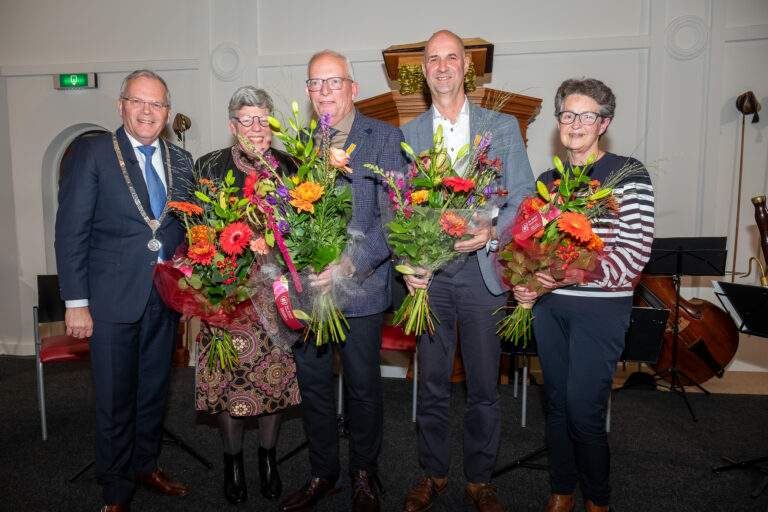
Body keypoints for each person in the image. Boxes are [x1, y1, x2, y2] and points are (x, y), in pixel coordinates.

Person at [399, 30, 534, 512]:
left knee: (483, 386)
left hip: (482, 274)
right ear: (424, 71)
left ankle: (480, 480)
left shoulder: (501, 127)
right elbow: (399, 208)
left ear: (466, 68)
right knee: (431, 384)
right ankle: (433, 474)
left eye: (450, 58)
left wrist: (494, 235)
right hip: (431, 277)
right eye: (432, 59)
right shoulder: (409, 134)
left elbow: (523, 196)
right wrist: (407, 261)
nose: (441, 66)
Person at [512, 78, 654, 512]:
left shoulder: (628, 174)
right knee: (555, 402)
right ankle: (562, 489)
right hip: (550, 309)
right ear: (558, 123)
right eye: (568, 115)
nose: (575, 123)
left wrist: (567, 276)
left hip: (601, 311)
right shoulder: (547, 182)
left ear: (603, 123)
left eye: (587, 115)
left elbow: (632, 256)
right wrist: (525, 280)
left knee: (583, 408)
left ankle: (598, 498)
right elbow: (529, 247)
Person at [54, 69, 193, 512]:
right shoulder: (93, 152)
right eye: (139, 102)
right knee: (115, 397)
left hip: (164, 295)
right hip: (109, 300)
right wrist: (76, 303)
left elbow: (187, 228)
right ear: (121, 106)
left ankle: (145, 465)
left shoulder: (181, 160)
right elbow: (70, 231)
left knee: (154, 391)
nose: (147, 112)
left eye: (156, 105)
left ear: (168, 113)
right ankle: (116, 490)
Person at [278, 50, 406, 512]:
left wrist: (348, 264)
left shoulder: (385, 137)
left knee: (363, 390)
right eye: (315, 84)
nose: (324, 92)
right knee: (312, 387)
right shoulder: (299, 144)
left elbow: (394, 217)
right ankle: (323, 472)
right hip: (310, 290)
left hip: (362, 287)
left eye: (334, 82)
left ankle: (362, 475)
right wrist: (303, 261)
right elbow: (290, 215)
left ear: (353, 88)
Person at [193, 86, 301, 504]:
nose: (256, 129)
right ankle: (232, 461)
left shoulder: (290, 168)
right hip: (227, 296)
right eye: (247, 120)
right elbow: (196, 232)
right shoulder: (210, 166)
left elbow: (302, 231)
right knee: (228, 386)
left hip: (275, 299)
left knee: (272, 384)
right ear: (232, 125)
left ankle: (268, 458)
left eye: (263, 120)